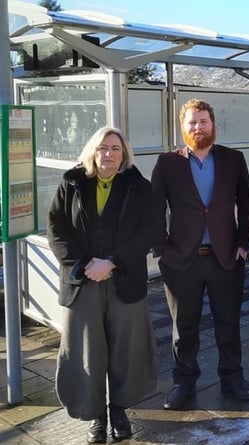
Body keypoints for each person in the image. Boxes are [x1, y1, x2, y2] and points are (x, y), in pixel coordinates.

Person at [47, 127, 158, 443]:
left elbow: (149, 230)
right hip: (82, 282)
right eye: (103, 148)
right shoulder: (71, 183)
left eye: (116, 148)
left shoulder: (139, 186)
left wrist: (112, 262)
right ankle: (95, 415)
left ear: (124, 154)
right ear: (92, 151)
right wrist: (83, 265)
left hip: (124, 279)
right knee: (86, 352)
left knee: (127, 350)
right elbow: (56, 228)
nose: (109, 153)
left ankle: (120, 410)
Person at [151, 98, 249, 410]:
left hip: (225, 258)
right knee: (184, 328)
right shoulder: (167, 163)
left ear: (213, 125)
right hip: (182, 261)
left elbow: (247, 204)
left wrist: (243, 242)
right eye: (192, 122)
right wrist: (162, 248)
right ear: (183, 127)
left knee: (229, 324)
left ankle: (232, 378)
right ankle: (183, 383)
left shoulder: (233, 160)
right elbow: (155, 208)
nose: (198, 127)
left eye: (203, 121)